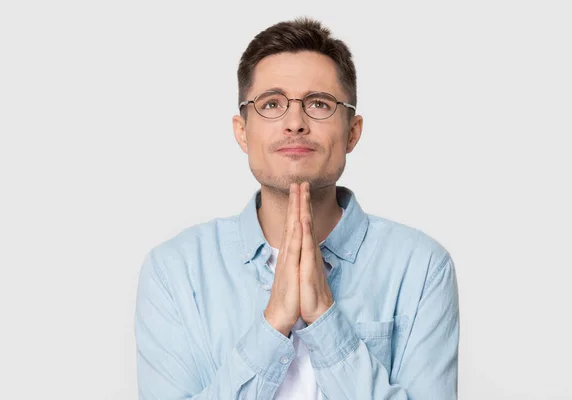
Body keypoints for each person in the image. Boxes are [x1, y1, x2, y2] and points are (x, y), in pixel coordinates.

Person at [134, 16, 460, 400]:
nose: (294, 122)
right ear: (243, 131)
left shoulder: (421, 268)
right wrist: (273, 326)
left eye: (318, 104)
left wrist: (324, 319)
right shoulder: (174, 273)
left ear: (352, 132)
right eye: (272, 103)